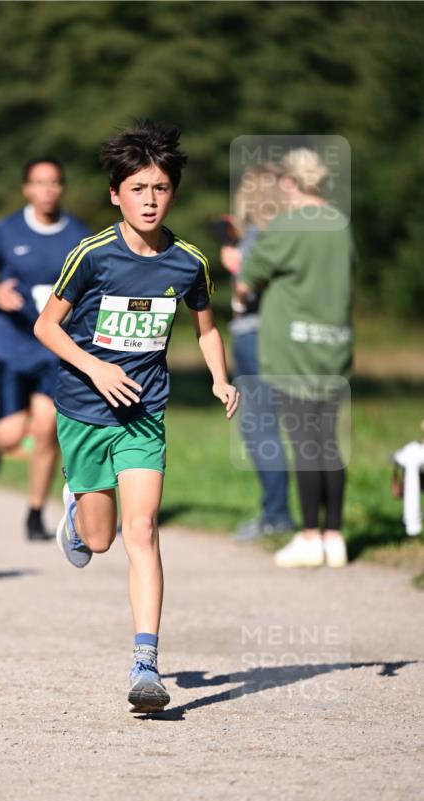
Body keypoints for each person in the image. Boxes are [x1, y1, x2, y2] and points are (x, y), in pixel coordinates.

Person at [34, 121, 239, 712]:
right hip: (83, 409)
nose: (150, 199)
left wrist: (221, 377)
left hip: (145, 412)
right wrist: (96, 369)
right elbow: (46, 326)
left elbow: (205, 328)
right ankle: (74, 512)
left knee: (142, 531)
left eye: (161, 188)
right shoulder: (92, 256)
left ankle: (145, 663)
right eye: (138, 188)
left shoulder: (189, 262)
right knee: (99, 540)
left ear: (173, 192)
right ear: (116, 194)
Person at [237, 148, 354, 568]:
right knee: (329, 444)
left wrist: (239, 295)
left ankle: (308, 536)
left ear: (289, 182)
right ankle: (335, 535)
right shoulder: (340, 224)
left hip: (292, 350)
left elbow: (250, 278)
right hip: (334, 346)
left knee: (304, 443)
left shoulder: (287, 226)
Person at [0, 158, 89, 540]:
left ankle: (35, 513)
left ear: (62, 188)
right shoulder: (7, 231)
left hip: (55, 350)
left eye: (54, 183)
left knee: (48, 429)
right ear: (26, 189)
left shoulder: (79, 237)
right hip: (13, 348)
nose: (47, 190)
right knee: (11, 434)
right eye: (39, 183)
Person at [219, 164, 294, 541]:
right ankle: (286, 513)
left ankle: (276, 514)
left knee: (260, 426)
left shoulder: (261, 235)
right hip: (282, 337)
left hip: (254, 334)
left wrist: (237, 269)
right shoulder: (290, 232)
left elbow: (252, 287)